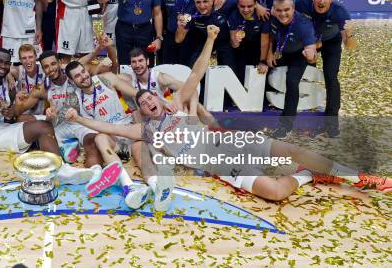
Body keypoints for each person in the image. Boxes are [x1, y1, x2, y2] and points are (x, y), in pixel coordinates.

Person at [66, 25, 390, 201]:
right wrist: (78, 119)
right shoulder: (146, 131)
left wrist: (209, 39)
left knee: (290, 150)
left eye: (152, 98)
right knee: (275, 192)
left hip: (233, 143)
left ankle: (359, 177)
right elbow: (106, 127)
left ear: (162, 100)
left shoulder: (176, 104)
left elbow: (197, 72)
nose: (148, 102)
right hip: (220, 165)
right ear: (141, 111)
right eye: (143, 103)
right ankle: (307, 175)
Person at [0, 48, 97, 213]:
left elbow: (12, 116)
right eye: (0, 62)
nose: (3, 66)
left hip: (3, 130)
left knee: (44, 126)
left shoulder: (10, 85)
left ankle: (61, 170)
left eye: (7, 63)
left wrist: (10, 112)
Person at [65, 60, 175, 210]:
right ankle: (128, 186)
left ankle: (156, 186)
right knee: (100, 138)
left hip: (127, 127)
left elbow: (136, 93)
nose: (83, 76)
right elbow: (63, 114)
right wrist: (61, 113)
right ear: (72, 81)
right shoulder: (75, 98)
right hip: (111, 137)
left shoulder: (106, 79)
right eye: (77, 76)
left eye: (83, 71)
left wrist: (162, 101)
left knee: (141, 149)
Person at [294, 0, 355, 137]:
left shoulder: (340, 12)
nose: (321, 1)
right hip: (307, 40)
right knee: (301, 73)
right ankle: (297, 114)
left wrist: (349, 34)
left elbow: (350, 46)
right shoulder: (301, 3)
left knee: (331, 78)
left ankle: (332, 123)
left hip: (331, 43)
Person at [265, 0, 317, 138]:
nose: (283, 14)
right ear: (273, 9)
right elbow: (270, 35)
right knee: (261, 68)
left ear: (293, 9)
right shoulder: (272, 16)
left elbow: (311, 49)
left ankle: (285, 126)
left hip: (298, 55)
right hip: (280, 51)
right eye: (279, 10)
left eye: (286, 10)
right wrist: (269, 52)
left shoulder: (303, 25)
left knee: (292, 82)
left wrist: (310, 55)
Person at [159, 0, 223, 64]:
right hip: (170, 38)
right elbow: (159, 13)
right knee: (169, 70)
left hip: (192, 38)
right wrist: (160, 35)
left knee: (189, 72)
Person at [228, 0, 270, 83]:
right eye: (242, 6)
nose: (246, 10)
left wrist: (263, 61)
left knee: (261, 78)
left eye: (249, 6)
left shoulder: (262, 16)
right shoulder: (234, 16)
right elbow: (234, 44)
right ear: (238, 5)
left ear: (255, 4)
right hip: (242, 50)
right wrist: (235, 42)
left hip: (259, 49)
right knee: (241, 77)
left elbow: (265, 42)